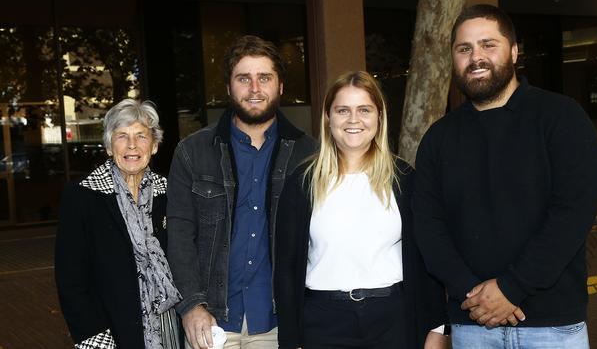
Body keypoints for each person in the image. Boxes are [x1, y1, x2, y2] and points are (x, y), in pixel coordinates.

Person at [412, 4, 597, 348]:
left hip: (552, 325)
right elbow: (428, 226)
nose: (476, 57)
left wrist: (511, 288)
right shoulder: (438, 139)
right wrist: (472, 294)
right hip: (471, 323)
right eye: (464, 48)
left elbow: (572, 214)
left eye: (488, 44)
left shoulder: (561, 118)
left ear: (514, 51)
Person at [274, 71, 448, 349]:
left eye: (364, 110)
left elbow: (427, 257)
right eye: (343, 110)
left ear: (379, 117)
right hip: (322, 323)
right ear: (328, 118)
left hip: (393, 320)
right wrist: (291, 340)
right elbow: (285, 269)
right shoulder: (303, 181)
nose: (353, 120)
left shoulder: (404, 178)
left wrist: (439, 327)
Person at [166, 35, 315, 349]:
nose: (255, 88)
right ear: (229, 87)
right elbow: (179, 236)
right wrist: (191, 306)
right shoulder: (193, 152)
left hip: (278, 322)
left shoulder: (310, 154)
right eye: (243, 78)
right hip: (212, 323)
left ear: (281, 86)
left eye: (264, 78)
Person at [56, 99, 181, 349]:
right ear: (110, 146)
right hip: (111, 334)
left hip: (170, 330)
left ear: (154, 145)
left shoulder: (171, 193)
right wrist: (96, 340)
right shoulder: (82, 197)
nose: (132, 145)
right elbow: (71, 282)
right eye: (122, 136)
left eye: (141, 136)